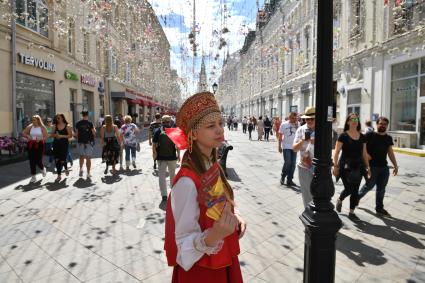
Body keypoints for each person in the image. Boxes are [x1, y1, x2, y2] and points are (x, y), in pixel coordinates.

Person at [164, 92, 245, 282]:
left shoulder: (212, 165)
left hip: (223, 260)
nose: (220, 130)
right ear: (193, 133)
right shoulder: (187, 182)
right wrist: (215, 235)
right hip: (202, 272)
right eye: (211, 126)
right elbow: (182, 247)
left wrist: (235, 216)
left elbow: (219, 202)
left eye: (220, 124)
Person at [358, 116, 398, 217]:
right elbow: (361, 147)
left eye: (385, 124)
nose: (382, 126)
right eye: (381, 124)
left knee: (381, 189)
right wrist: (366, 155)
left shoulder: (388, 138)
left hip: (384, 168)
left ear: (387, 126)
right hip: (372, 167)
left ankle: (379, 208)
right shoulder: (370, 135)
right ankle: (356, 198)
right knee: (369, 186)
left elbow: (390, 152)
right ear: (377, 124)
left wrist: (395, 165)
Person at [333, 113, 371, 220]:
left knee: (355, 190)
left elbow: (364, 153)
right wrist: (335, 166)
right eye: (352, 119)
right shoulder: (343, 136)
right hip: (345, 166)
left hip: (358, 166)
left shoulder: (362, 137)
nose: (354, 120)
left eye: (356, 119)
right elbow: (336, 152)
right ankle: (340, 199)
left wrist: (368, 167)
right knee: (349, 188)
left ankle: (351, 212)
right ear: (348, 122)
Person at [152, 115, 180, 203]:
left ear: (162, 122)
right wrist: (178, 154)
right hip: (172, 157)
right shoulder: (174, 130)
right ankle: (173, 192)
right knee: (172, 175)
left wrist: (155, 154)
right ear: (170, 121)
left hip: (161, 157)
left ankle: (164, 195)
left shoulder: (157, 131)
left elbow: (154, 144)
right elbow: (177, 144)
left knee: (161, 176)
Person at [293, 107, 316, 208]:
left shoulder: (323, 129)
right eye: (307, 119)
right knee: (307, 194)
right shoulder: (301, 130)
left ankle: (317, 212)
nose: (309, 121)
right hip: (305, 166)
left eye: (312, 118)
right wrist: (303, 140)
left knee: (320, 192)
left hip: (319, 166)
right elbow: (294, 148)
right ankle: (308, 212)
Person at [23, 115, 48, 182]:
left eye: (34, 120)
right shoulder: (30, 126)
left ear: (38, 120)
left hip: (39, 144)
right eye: (32, 120)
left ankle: (42, 169)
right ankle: (33, 176)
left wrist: (40, 139)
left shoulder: (42, 127)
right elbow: (24, 133)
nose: (33, 121)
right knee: (32, 160)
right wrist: (28, 136)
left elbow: (46, 136)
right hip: (31, 144)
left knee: (38, 160)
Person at [278, 112, 299, 187]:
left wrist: (297, 126)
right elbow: (280, 135)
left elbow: (299, 134)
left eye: (295, 118)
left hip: (294, 146)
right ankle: (283, 176)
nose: (294, 119)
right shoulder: (284, 124)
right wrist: (279, 146)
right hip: (286, 146)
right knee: (288, 162)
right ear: (289, 117)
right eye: (292, 118)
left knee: (293, 164)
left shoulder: (298, 124)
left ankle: (289, 179)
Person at [51, 114, 73, 182]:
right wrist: (55, 135)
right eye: (56, 118)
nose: (57, 119)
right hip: (56, 144)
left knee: (63, 159)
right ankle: (59, 175)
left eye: (59, 118)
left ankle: (66, 168)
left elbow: (70, 136)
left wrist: (61, 136)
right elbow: (52, 135)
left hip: (64, 145)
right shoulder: (55, 126)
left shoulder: (68, 126)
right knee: (57, 159)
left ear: (62, 118)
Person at [75, 111, 96, 178]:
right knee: (88, 158)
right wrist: (94, 129)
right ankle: (88, 173)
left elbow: (76, 134)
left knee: (81, 156)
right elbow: (94, 133)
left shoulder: (78, 123)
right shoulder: (90, 123)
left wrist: (78, 140)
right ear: (87, 115)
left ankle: (81, 169)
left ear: (82, 115)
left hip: (80, 142)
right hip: (88, 142)